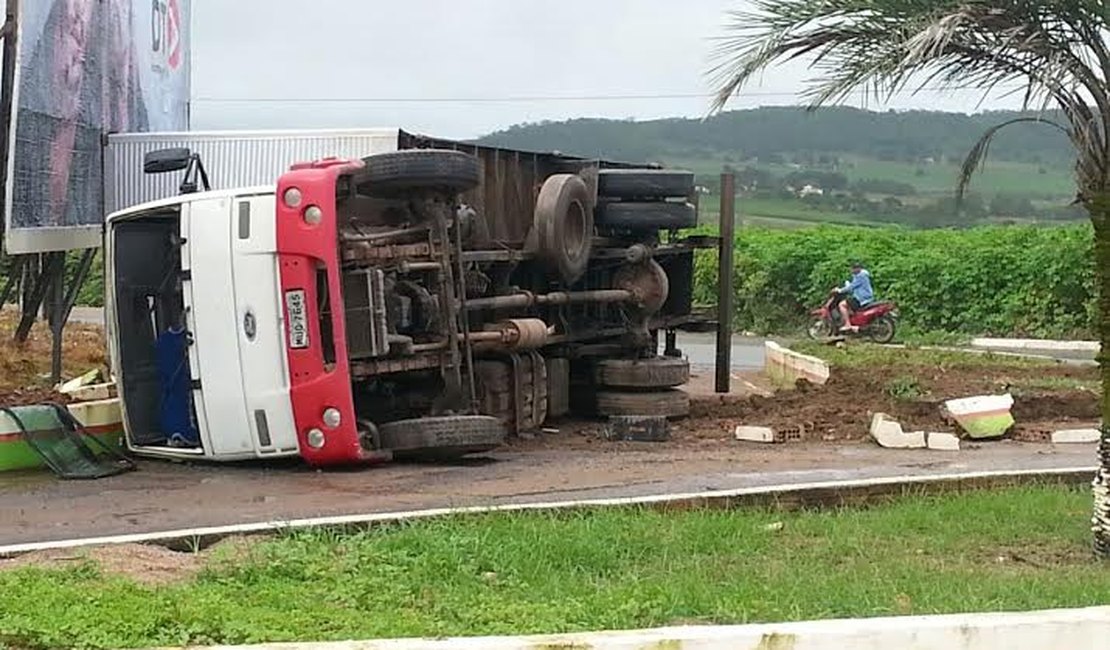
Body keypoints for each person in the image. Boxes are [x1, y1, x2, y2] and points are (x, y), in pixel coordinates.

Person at [835, 262, 874, 333]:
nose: (852, 270)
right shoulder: (863, 275)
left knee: (842, 304)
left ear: (857, 269)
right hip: (866, 298)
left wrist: (839, 290)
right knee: (849, 304)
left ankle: (847, 324)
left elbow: (851, 287)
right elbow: (854, 285)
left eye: (853, 269)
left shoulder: (860, 276)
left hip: (861, 299)